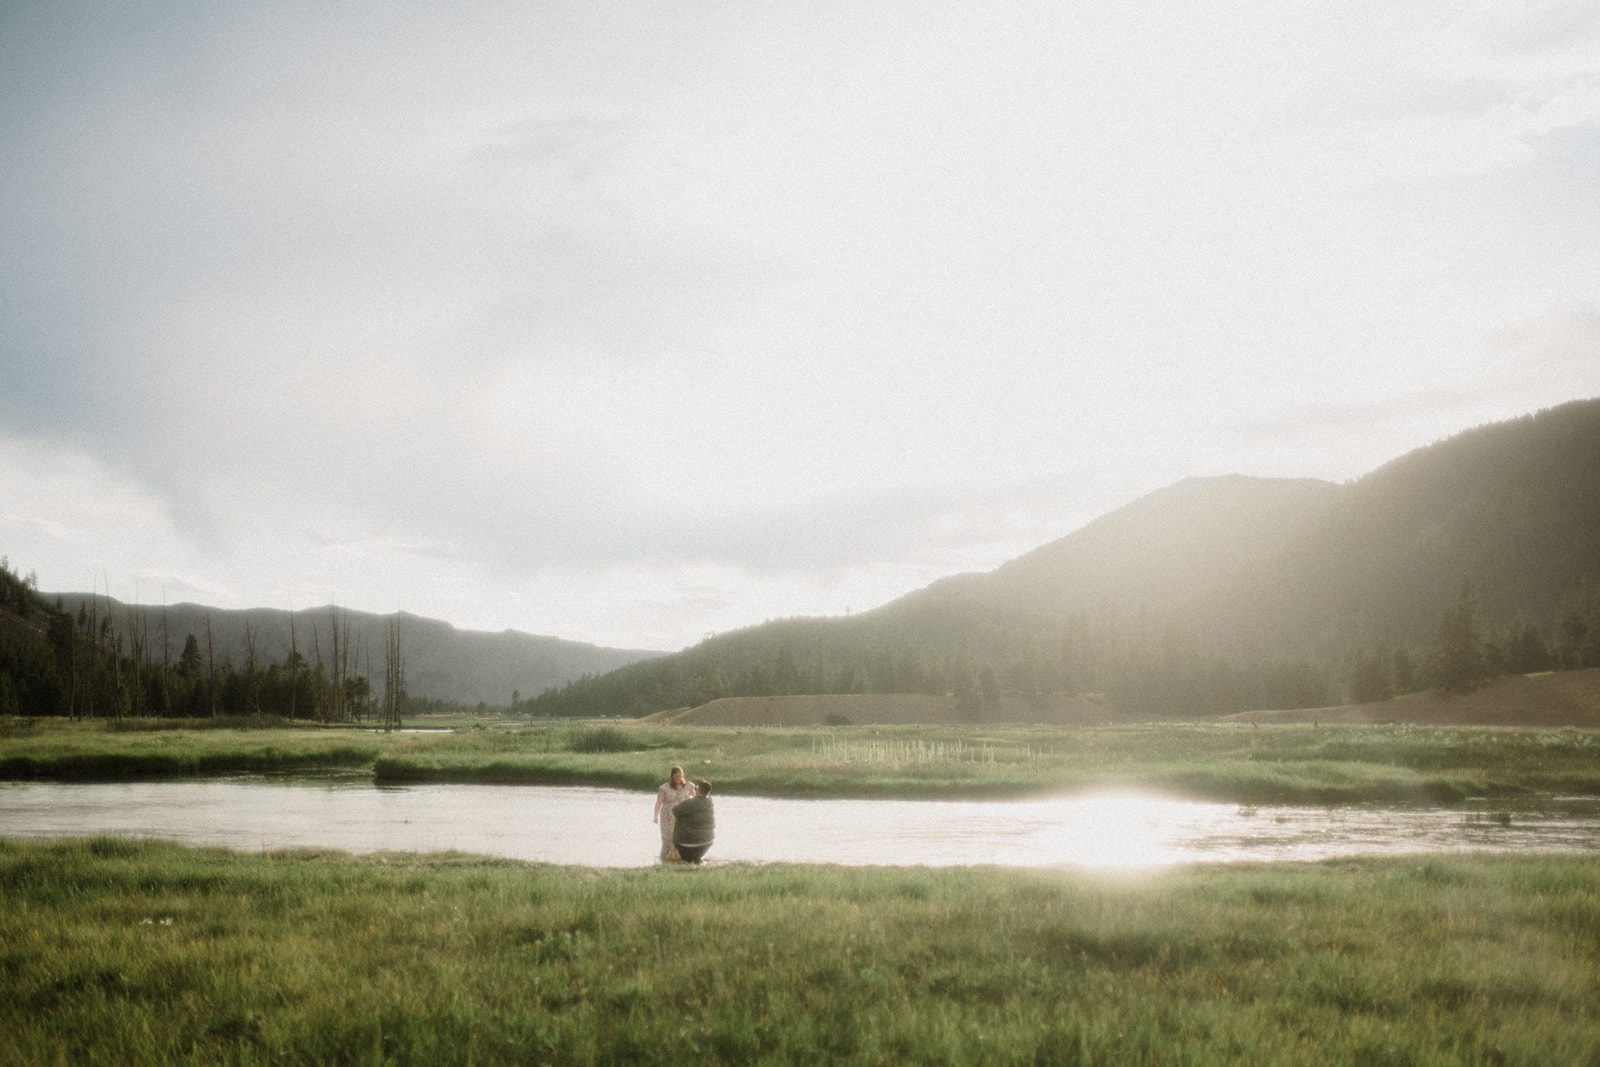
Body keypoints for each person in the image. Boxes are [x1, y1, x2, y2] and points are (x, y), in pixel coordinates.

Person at [653, 766, 696, 861]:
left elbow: (696, 799)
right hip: (668, 817)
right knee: (668, 840)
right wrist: (655, 816)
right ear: (672, 776)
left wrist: (690, 798)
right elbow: (658, 802)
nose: (679, 778)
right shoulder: (664, 788)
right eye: (677, 776)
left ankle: (680, 859)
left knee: (681, 839)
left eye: (680, 776)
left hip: (683, 817)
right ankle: (663, 860)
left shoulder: (688, 786)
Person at [671, 779, 715, 864]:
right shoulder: (710, 801)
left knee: (680, 817)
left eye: (696, 787)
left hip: (688, 843)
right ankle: (698, 861)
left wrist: (684, 801)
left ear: (697, 790)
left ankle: (692, 861)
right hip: (708, 840)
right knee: (696, 859)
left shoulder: (690, 802)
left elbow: (675, 810)